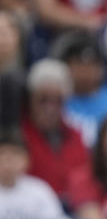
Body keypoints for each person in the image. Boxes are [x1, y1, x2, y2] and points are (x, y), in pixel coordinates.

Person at [20, 58, 89, 200]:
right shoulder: (19, 136)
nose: (50, 108)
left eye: (57, 100)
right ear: (31, 99)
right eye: (43, 100)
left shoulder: (76, 137)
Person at [59, 30, 107, 147]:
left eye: (92, 65)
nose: (85, 71)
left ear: (101, 69)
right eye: (79, 64)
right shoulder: (57, 100)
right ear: (67, 66)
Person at [0, 128, 64, 219]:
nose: (7, 161)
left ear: (26, 159)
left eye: (14, 154)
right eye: (2, 154)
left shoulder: (39, 190)